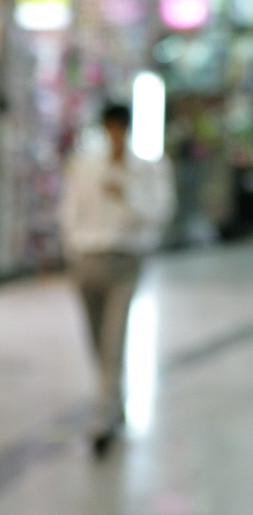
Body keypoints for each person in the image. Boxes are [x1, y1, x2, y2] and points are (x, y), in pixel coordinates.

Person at [59, 101, 176, 454]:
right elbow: (70, 210)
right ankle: (114, 402)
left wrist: (127, 196)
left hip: (125, 259)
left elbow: (159, 212)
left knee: (114, 339)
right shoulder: (85, 165)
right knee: (97, 339)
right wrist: (74, 250)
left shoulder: (149, 168)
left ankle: (102, 418)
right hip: (87, 259)